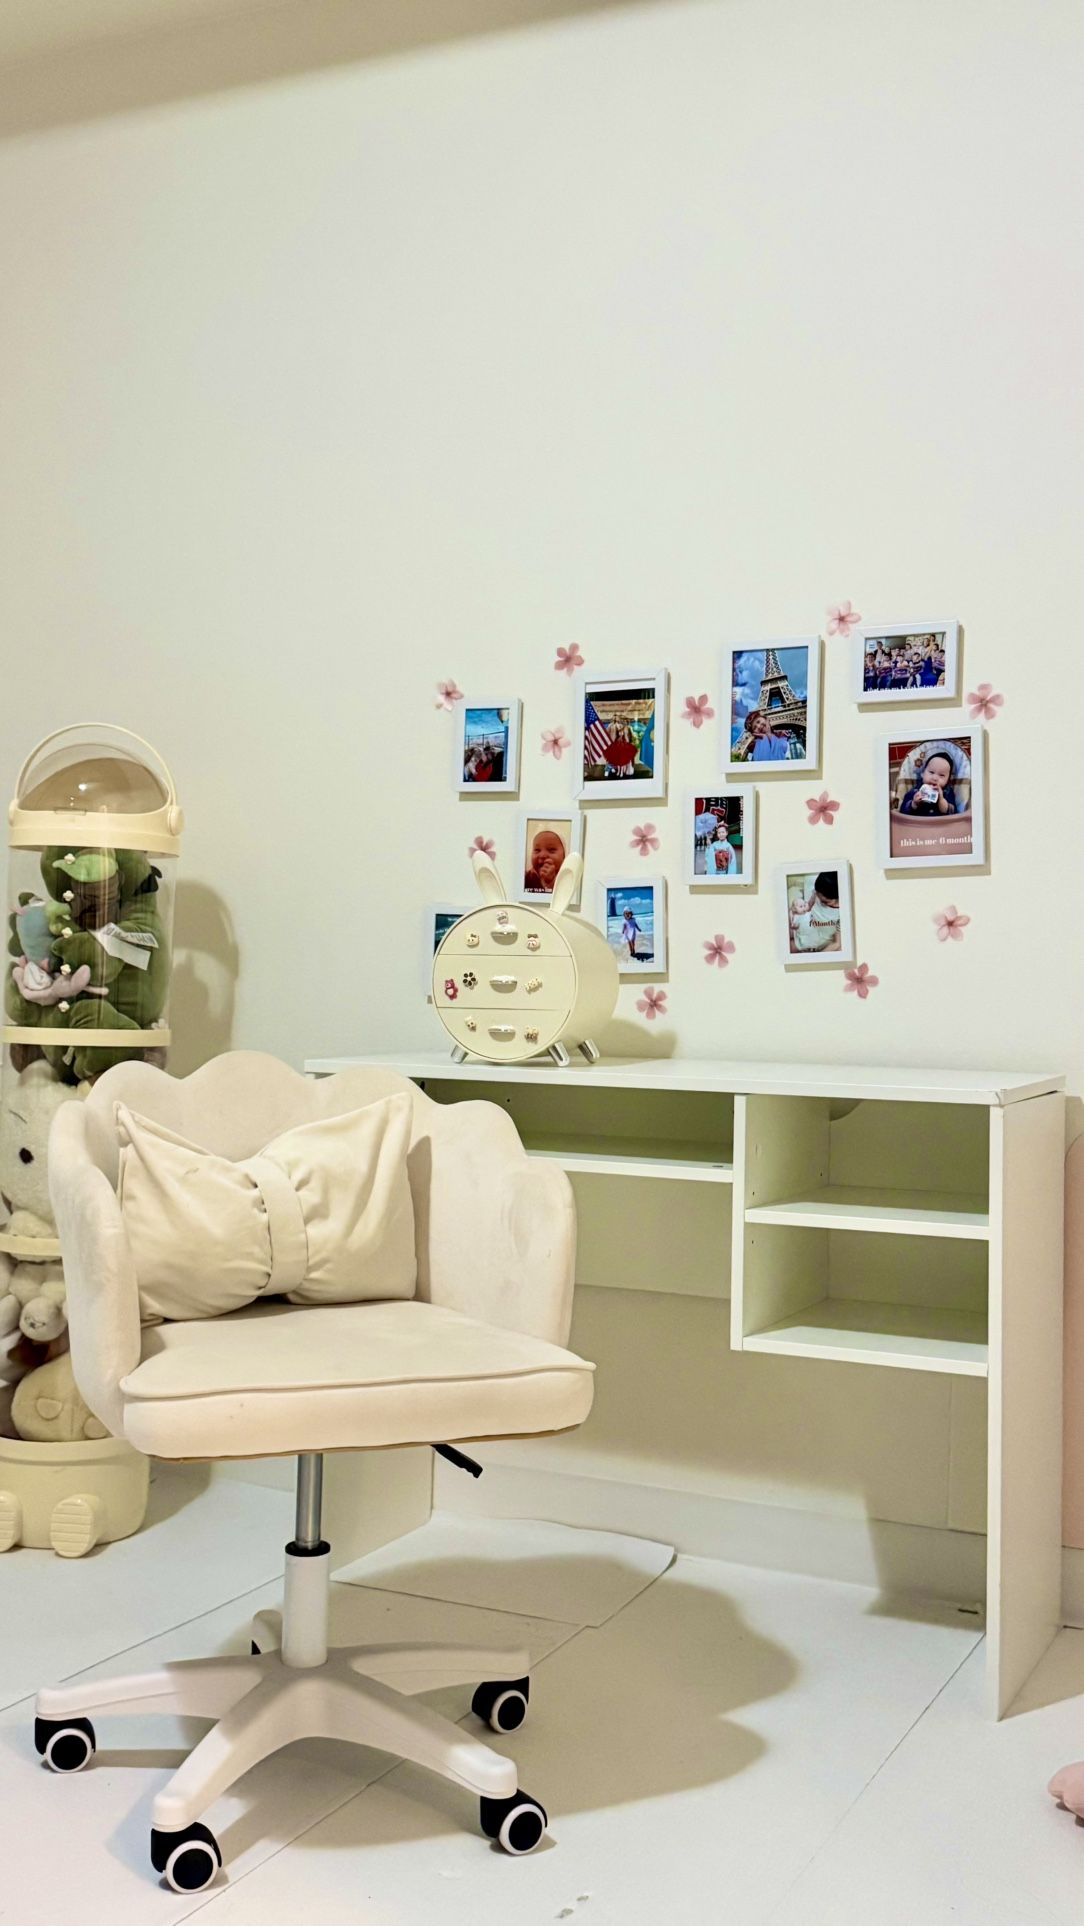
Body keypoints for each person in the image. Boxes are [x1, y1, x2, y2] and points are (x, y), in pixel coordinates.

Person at [788, 872, 841, 953]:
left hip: (814, 938)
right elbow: (808, 906)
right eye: (818, 897)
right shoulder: (817, 892)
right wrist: (795, 912)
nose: (820, 901)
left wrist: (818, 956)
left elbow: (837, 943)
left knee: (790, 948)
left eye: (826, 902)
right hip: (804, 923)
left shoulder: (840, 913)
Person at [900, 749, 960, 815]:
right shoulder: (915, 791)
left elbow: (954, 814)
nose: (935, 778)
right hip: (918, 824)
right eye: (931, 772)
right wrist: (914, 804)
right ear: (922, 773)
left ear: (948, 780)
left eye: (941, 775)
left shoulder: (948, 792)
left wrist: (942, 801)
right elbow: (902, 811)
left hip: (941, 824)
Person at [524, 826, 566, 895]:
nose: (542, 855)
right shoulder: (527, 878)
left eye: (551, 850)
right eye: (537, 850)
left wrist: (550, 883)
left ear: (564, 856)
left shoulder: (566, 879)